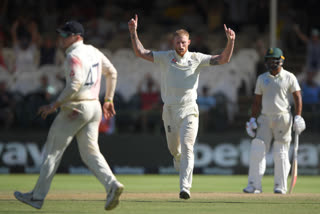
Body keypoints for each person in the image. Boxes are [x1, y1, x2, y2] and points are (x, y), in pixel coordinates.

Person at [14, 20, 124, 210]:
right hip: (94, 107)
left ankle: (37, 197)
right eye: (61, 34)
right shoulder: (93, 51)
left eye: (65, 35)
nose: (61, 38)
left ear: (77, 37)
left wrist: (53, 105)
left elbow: (74, 85)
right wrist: (108, 100)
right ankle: (112, 184)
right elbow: (112, 72)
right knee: (90, 153)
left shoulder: (73, 55)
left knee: (52, 152)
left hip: (76, 108)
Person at [128, 14, 235, 199]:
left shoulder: (197, 58)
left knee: (187, 146)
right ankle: (177, 158)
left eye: (184, 42)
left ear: (189, 42)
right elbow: (140, 52)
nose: (181, 45)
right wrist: (133, 32)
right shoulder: (165, 57)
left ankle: (185, 187)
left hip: (189, 110)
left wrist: (231, 41)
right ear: (173, 43)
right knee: (175, 150)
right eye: (178, 42)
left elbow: (223, 59)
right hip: (169, 110)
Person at [244, 47, 306, 194]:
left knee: (281, 152)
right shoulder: (262, 78)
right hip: (265, 118)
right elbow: (256, 102)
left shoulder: (289, 77)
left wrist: (298, 116)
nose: (272, 62)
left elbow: (298, 98)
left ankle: (280, 186)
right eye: (269, 60)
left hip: (283, 117)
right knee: (257, 149)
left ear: (281, 61)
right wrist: (252, 119)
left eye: (274, 60)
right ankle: (254, 185)